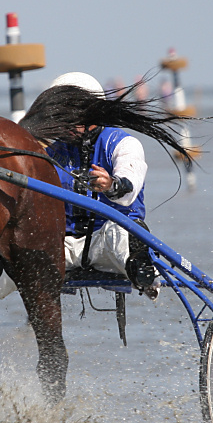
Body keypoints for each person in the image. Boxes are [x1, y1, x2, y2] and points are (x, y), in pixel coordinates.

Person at [42, 72, 157, 297]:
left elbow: (129, 185)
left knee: (121, 231)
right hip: (63, 246)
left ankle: (142, 270)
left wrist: (111, 185)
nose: (61, 122)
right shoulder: (52, 151)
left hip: (106, 245)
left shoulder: (123, 143)